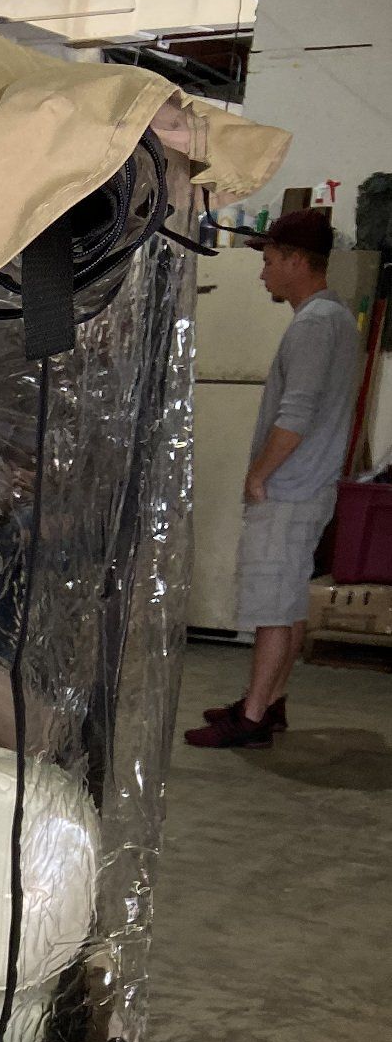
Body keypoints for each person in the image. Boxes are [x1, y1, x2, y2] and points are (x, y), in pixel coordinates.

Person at [188, 207, 361, 750]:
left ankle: (253, 717)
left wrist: (258, 475)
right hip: (309, 484)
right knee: (286, 602)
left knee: (270, 607)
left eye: (267, 261)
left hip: (289, 487)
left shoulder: (315, 324)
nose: (262, 273)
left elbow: (296, 414)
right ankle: (270, 701)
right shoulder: (334, 316)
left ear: (295, 261)